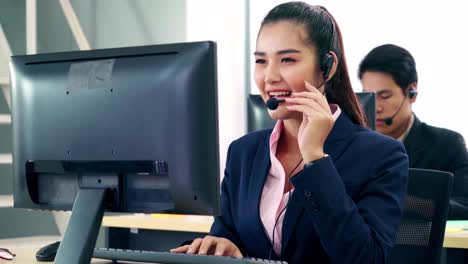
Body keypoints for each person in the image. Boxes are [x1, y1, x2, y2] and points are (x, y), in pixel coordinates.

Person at [172, 2, 408, 263]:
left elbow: (365, 258)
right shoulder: (243, 152)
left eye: (287, 60)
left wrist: (315, 159)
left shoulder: (381, 155)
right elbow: (227, 234)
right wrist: (224, 245)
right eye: (261, 61)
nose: (269, 76)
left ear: (327, 67)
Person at [359, 44, 468, 219]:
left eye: (385, 96)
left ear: (412, 92)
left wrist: (403, 201)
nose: (375, 107)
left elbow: (464, 207)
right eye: (368, 96)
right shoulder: (355, 148)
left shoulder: (448, 146)